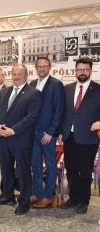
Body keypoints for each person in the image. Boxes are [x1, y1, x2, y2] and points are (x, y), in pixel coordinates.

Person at [0, 64, 42, 215]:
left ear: (26, 75)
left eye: (20, 74)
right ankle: (8, 196)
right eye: (14, 74)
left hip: (20, 139)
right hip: (2, 139)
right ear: (11, 75)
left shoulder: (34, 93)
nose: (17, 76)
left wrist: (13, 130)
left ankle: (24, 201)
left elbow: (32, 116)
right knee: (5, 170)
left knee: (23, 171)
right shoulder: (4, 91)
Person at [59, 57, 100, 214]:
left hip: (88, 138)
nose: (82, 72)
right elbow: (63, 113)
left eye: (85, 69)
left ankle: (84, 201)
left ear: (90, 71)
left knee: (84, 171)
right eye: (79, 69)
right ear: (75, 70)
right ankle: (73, 198)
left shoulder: (98, 89)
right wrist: (61, 132)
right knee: (71, 169)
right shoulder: (67, 89)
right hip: (69, 137)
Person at [29, 57, 65, 208]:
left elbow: (59, 110)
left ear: (49, 67)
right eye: (39, 66)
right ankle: (37, 193)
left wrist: (51, 132)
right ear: (35, 68)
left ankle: (48, 195)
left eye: (45, 66)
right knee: (35, 164)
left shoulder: (56, 84)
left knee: (50, 165)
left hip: (48, 134)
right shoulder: (31, 84)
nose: (42, 69)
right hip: (34, 132)